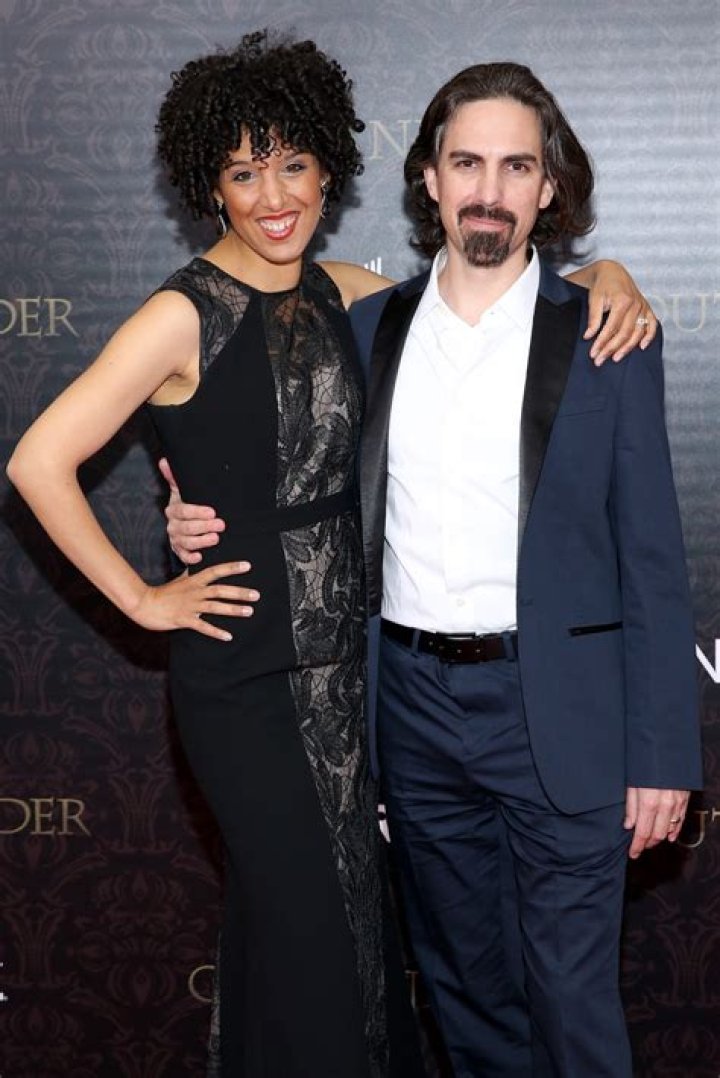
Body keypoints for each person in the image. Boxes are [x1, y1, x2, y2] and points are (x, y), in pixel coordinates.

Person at [167, 60, 702, 1078]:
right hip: (410, 712)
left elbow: (653, 556)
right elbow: (273, 453)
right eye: (466, 163)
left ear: (549, 186)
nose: (488, 190)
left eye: (516, 166)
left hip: (565, 712)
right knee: (464, 994)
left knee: (572, 999)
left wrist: (663, 753)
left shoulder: (607, 335)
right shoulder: (367, 328)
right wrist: (190, 506)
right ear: (428, 177)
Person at [7, 31, 428, 1078]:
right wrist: (144, 598)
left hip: (345, 677)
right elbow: (38, 461)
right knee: (317, 951)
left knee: (338, 940)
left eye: (293, 165)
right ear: (212, 185)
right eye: (244, 173)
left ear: (330, 168)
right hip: (243, 683)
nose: (273, 197)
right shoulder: (179, 316)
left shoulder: (347, 291)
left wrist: (603, 274)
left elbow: (492, 314)